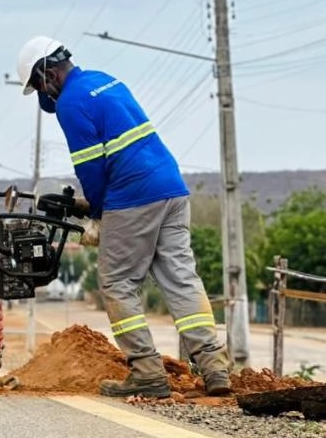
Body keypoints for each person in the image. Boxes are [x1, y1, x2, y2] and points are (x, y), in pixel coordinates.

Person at [16, 35, 232, 398]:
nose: (43, 93)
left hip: (134, 195)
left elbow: (92, 170)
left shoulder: (70, 102)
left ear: (47, 73)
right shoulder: (104, 79)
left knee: (117, 282)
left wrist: (99, 213)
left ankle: (147, 372)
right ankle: (215, 368)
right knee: (181, 279)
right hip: (172, 189)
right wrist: (95, 206)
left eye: (38, 84)